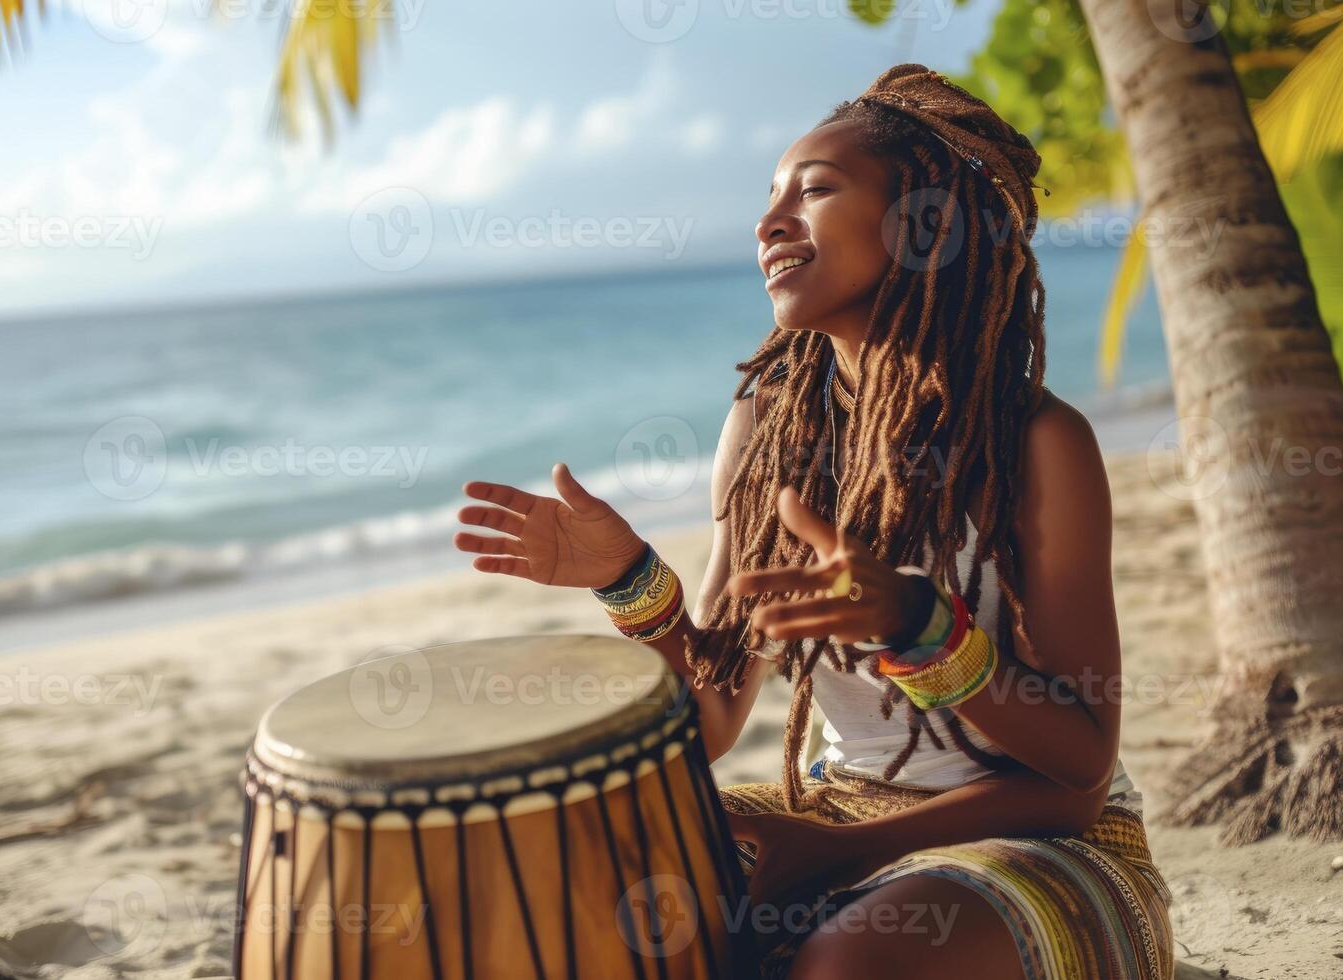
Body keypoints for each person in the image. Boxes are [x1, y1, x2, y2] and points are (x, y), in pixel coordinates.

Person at [453, 63, 1173, 980]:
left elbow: (1075, 772)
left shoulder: (1035, 442)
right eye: (768, 199)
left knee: (852, 961)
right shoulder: (767, 429)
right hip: (836, 806)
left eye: (816, 190)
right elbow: (709, 717)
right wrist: (628, 581)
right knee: (580, 879)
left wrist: (918, 629)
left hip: (1048, 845)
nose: (769, 224)